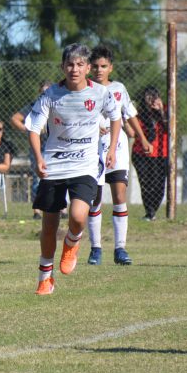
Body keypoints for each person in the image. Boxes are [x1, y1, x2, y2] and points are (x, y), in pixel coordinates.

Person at [25, 43, 120, 296]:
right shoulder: (51, 95)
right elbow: (33, 128)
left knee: (78, 216)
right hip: (54, 165)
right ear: (62, 67)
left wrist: (111, 149)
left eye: (79, 64)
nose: (74, 69)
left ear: (88, 68)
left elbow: (115, 117)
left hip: (85, 164)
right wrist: (38, 158)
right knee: (49, 226)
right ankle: (45, 278)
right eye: (70, 64)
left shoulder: (100, 93)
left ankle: (72, 242)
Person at [86, 46, 152, 266]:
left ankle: (120, 248)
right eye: (95, 66)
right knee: (94, 198)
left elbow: (130, 115)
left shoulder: (118, 89)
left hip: (118, 147)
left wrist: (143, 139)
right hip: (92, 148)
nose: (99, 70)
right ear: (89, 68)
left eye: (103, 66)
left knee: (119, 196)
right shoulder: (84, 89)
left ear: (111, 68)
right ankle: (95, 249)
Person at [10, 80, 53, 219]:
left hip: (54, 146)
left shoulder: (57, 104)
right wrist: (29, 129)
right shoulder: (33, 106)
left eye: (48, 91)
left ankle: (61, 209)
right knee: (37, 178)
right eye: (43, 92)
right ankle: (37, 211)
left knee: (57, 177)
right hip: (38, 147)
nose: (45, 94)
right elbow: (15, 119)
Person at [132, 86, 169, 221]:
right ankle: (150, 213)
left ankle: (152, 212)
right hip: (141, 154)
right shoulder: (138, 113)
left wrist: (161, 112)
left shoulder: (166, 110)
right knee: (146, 184)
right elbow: (132, 132)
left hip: (161, 154)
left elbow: (170, 129)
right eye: (148, 96)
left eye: (154, 95)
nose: (151, 99)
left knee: (159, 185)